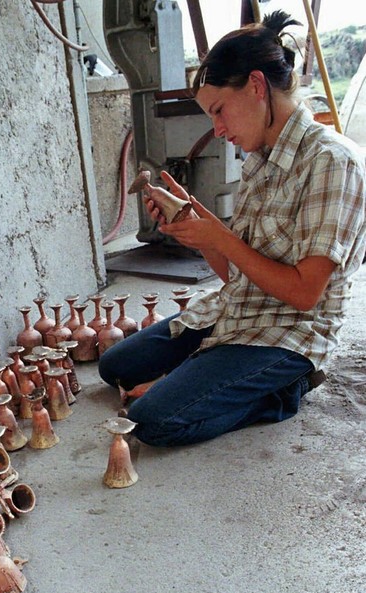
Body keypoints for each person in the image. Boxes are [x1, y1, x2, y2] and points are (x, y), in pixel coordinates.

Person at [98, 10, 366, 447]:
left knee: (151, 421)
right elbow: (236, 275)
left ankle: (283, 391)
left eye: (219, 111)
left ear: (257, 87)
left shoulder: (332, 163)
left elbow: (303, 294)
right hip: (238, 309)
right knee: (116, 367)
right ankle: (205, 376)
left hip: (289, 334)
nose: (218, 130)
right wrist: (194, 224)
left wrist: (219, 237)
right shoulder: (261, 158)